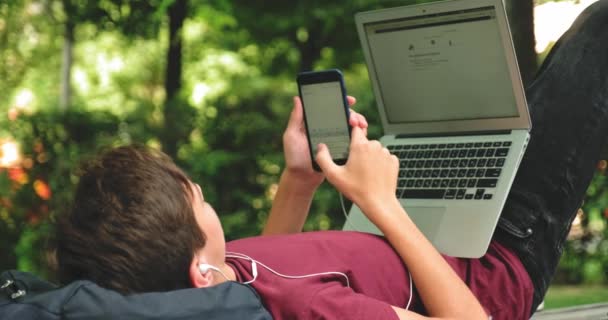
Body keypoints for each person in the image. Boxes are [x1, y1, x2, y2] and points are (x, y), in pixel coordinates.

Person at [55, 2, 608, 320]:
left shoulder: (207, 283)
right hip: (497, 264)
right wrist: (382, 204)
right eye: (199, 200)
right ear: (199, 272)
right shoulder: (310, 311)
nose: (203, 195)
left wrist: (298, 180)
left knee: (533, 94)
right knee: (596, 33)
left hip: (435, 243)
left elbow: (265, 260)